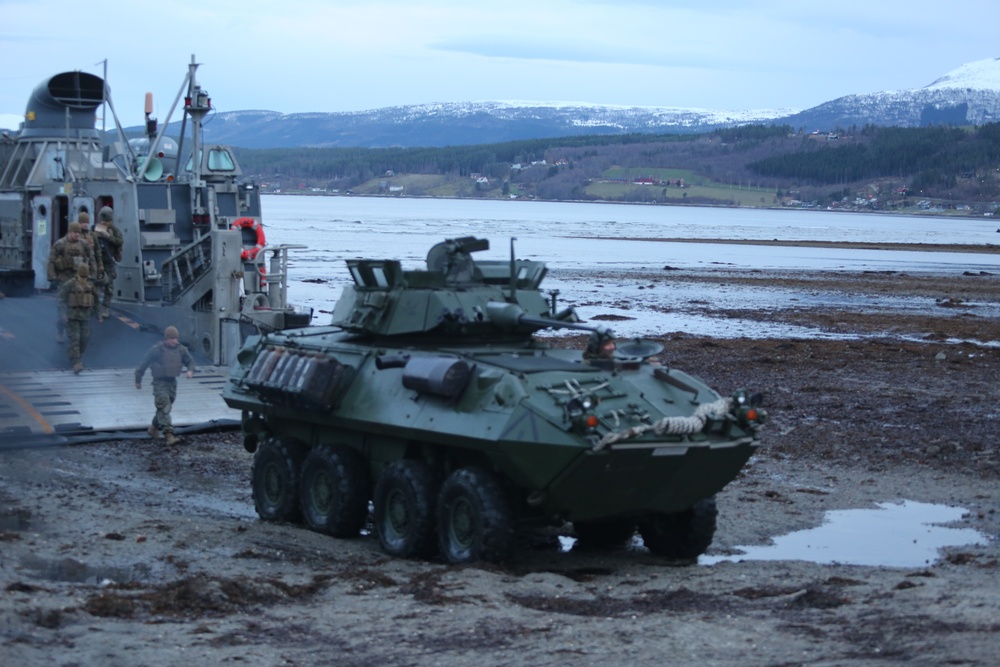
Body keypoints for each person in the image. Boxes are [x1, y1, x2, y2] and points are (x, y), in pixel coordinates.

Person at [135, 325, 195, 446]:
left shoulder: (181, 349)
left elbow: (190, 361)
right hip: (159, 382)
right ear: (166, 338)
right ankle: (169, 435)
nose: (174, 341)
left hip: (172, 382)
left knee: (165, 407)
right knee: (164, 407)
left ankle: (153, 428)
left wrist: (190, 370)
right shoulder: (156, 350)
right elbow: (144, 364)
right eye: (172, 338)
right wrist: (138, 380)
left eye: (176, 338)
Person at [47, 221, 99, 342]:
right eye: (75, 232)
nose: (77, 235)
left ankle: (77, 334)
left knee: (81, 305)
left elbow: (92, 259)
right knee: (62, 307)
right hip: (64, 278)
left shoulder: (84, 244)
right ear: (69, 232)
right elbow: (51, 260)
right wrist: (52, 277)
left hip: (79, 279)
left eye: (78, 233)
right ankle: (61, 330)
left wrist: (93, 275)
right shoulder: (60, 244)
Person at [57, 263, 98, 373]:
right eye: (82, 276)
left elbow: (96, 299)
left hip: (85, 316)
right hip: (72, 316)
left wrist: (99, 314)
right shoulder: (70, 284)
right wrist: (63, 314)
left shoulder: (90, 285)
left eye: (85, 276)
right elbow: (61, 299)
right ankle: (76, 362)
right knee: (75, 338)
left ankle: (77, 356)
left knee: (85, 338)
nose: (84, 279)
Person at [92, 206, 123, 320]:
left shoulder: (114, 230)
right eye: (103, 220)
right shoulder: (95, 228)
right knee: (93, 284)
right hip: (96, 261)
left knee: (109, 286)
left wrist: (109, 236)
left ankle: (105, 307)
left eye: (107, 221)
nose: (104, 223)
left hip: (109, 261)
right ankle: (94, 306)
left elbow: (120, 241)